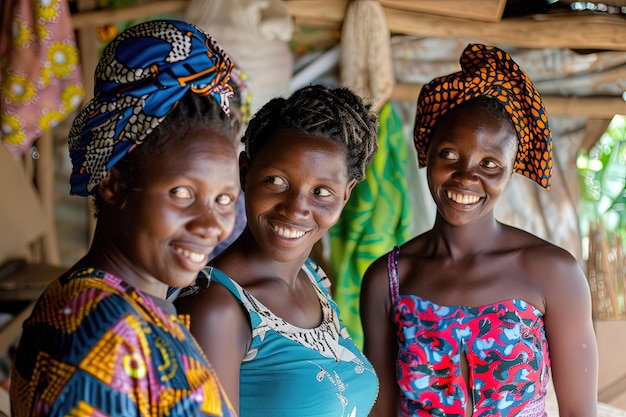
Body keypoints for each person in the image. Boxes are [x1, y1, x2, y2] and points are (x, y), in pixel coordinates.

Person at [10, 20, 241, 417]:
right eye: (182, 193)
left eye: (224, 199)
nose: (211, 225)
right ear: (113, 184)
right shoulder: (99, 336)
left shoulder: (131, 306)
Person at [360, 44, 598, 417]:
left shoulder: (554, 272)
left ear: (510, 171)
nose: (467, 176)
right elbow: (380, 411)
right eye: (450, 155)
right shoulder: (389, 279)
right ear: (427, 151)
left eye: (490, 163)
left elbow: (580, 413)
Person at [175, 85, 380, 416]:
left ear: (346, 194)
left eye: (322, 191)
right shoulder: (215, 306)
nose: (296, 208)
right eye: (276, 181)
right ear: (244, 172)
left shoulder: (313, 279)